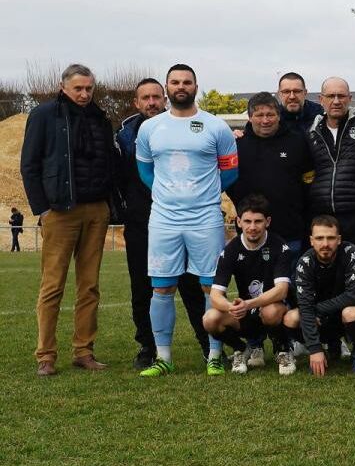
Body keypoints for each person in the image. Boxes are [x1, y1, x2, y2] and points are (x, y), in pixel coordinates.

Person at [135, 63, 239, 377]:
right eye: (175, 82)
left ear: (196, 86)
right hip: (164, 220)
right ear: (167, 87)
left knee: (212, 289)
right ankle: (163, 357)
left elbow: (230, 171)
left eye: (187, 82)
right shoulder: (150, 128)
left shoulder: (216, 126)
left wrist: (201, 195)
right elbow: (144, 169)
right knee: (162, 288)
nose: (181, 86)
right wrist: (167, 193)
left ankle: (215, 356)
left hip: (206, 218)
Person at [20, 63, 118, 376]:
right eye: (78, 88)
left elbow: (109, 162)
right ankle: (45, 356)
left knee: (89, 286)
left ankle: (83, 351)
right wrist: (43, 209)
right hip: (60, 212)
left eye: (89, 88)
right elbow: (29, 165)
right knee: (52, 286)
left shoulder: (100, 118)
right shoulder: (44, 115)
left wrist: (110, 204)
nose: (84, 93)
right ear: (64, 87)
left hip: (96, 210)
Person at [115, 78, 210, 370]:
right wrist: (124, 210)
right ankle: (148, 346)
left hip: (186, 218)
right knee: (143, 287)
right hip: (143, 222)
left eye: (157, 97)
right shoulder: (125, 136)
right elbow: (117, 178)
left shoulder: (184, 128)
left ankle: (209, 345)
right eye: (146, 98)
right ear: (136, 102)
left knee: (193, 285)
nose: (152, 102)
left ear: (165, 99)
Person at [205, 195, 296, 375]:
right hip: (246, 314)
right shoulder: (231, 249)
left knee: (272, 310)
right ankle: (242, 349)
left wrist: (249, 304)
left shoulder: (279, 246)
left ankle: (283, 350)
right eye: (247, 221)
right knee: (210, 319)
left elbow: (282, 290)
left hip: (269, 311)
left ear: (267, 222)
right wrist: (232, 307)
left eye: (258, 221)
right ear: (238, 221)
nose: (252, 227)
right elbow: (215, 295)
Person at [226, 92, 313, 260]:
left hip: (290, 232)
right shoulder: (236, 145)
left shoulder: (298, 142)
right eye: (259, 115)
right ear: (250, 117)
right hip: (251, 233)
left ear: (279, 116)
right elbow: (229, 182)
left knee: (289, 284)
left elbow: (308, 180)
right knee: (253, 285)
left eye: (270, 115)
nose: (265, 120)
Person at [306, 76, 355, 259]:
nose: (336, 101)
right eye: (331, 96)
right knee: (327, 277)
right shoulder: (312, 133)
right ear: (321, 100)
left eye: (341, 96)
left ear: (350, 99)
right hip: (323, 217)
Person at [290, 215, 355, 376]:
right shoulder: (305, 262)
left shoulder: (351, 253)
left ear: (339, 239)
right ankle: (325, 346)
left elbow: (353, 296)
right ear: (311, 240)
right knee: (291, 318)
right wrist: (314, 349)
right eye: (319, 238)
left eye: (330, 238)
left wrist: (315, 309)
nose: (325, 244)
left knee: (352, 311)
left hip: (343, 315)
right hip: (319, 319)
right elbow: (304, 306)